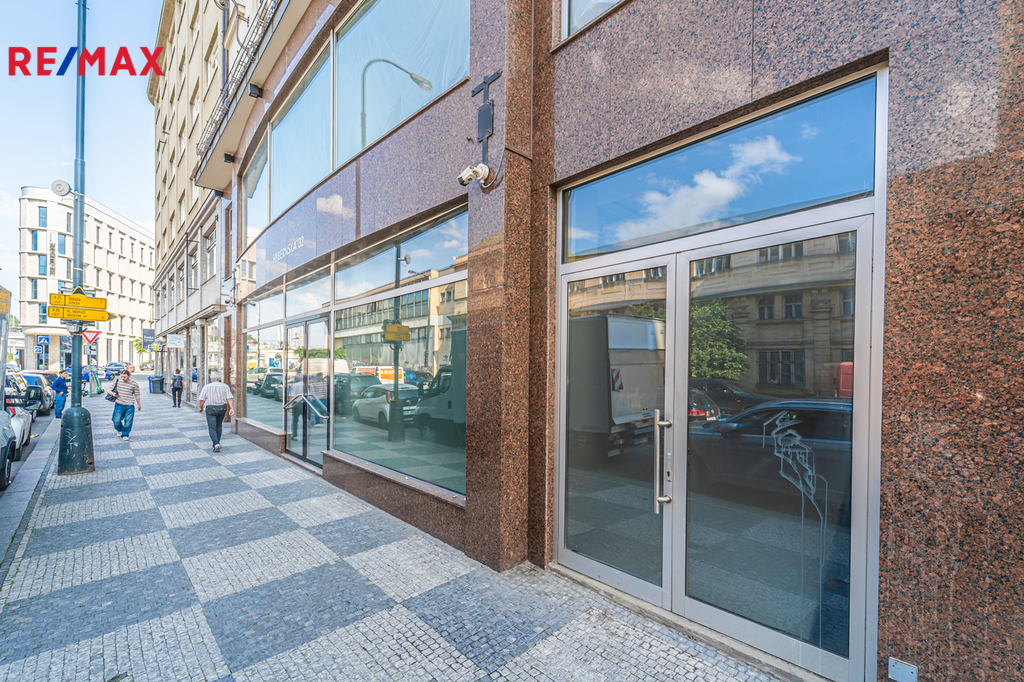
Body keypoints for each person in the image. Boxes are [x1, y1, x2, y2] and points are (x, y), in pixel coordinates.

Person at [197, 372, 234, 452]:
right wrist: (231, 408)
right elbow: (229, 398)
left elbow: (202, 399)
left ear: (211, 379)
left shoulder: (207, 387)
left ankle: (216, 443)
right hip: (222, 408)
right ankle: (217, 442)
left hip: (210, 408)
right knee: (219, 425)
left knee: (212, 427)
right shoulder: (225, 386)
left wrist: (200, 407)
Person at [107, 369, 141, 442]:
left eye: (125, 377)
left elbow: (137, 395)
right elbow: (109, 390)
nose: (123, 378)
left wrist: (139, 404)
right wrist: (112, 394)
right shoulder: (117, 382)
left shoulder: (134, 384)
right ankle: (120, 430)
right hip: (119, 404)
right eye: (121, 376)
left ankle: (125, 434)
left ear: (129, 376)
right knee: (116, 420)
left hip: (130, 405)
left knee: (128, 421)